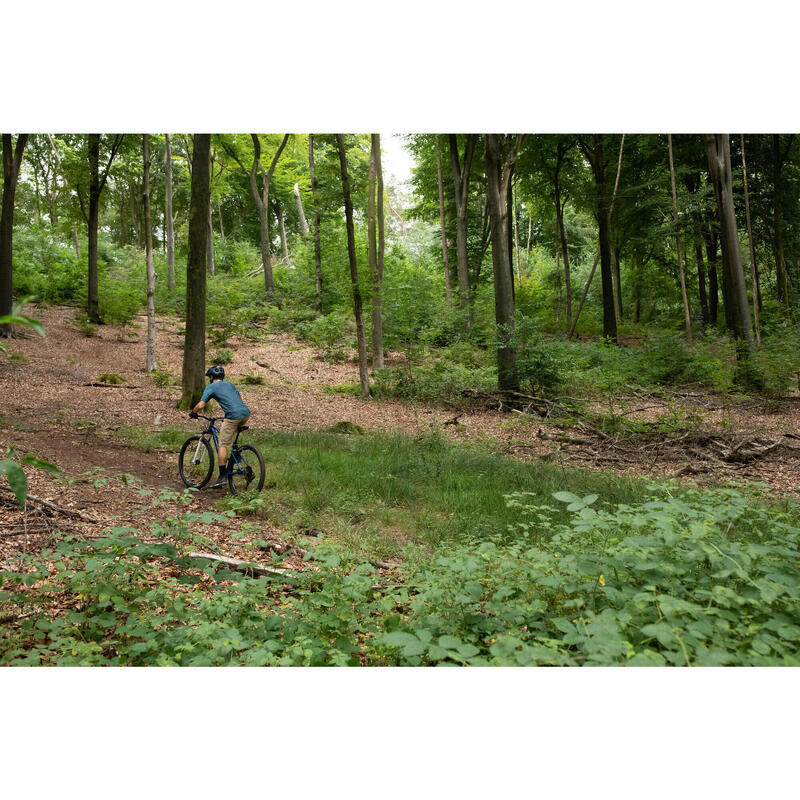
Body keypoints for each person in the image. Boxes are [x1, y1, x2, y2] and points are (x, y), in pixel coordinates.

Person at [190, 365, 251, 488]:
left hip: (233, 415)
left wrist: (193, 412)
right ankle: (236, 454)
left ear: (211, 377)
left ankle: (222, 477)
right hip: (245, 413)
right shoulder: (230, 385)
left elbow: (201, 405)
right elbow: (237, 399)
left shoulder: (211, 387)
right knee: (231, 433)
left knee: (222, 444)